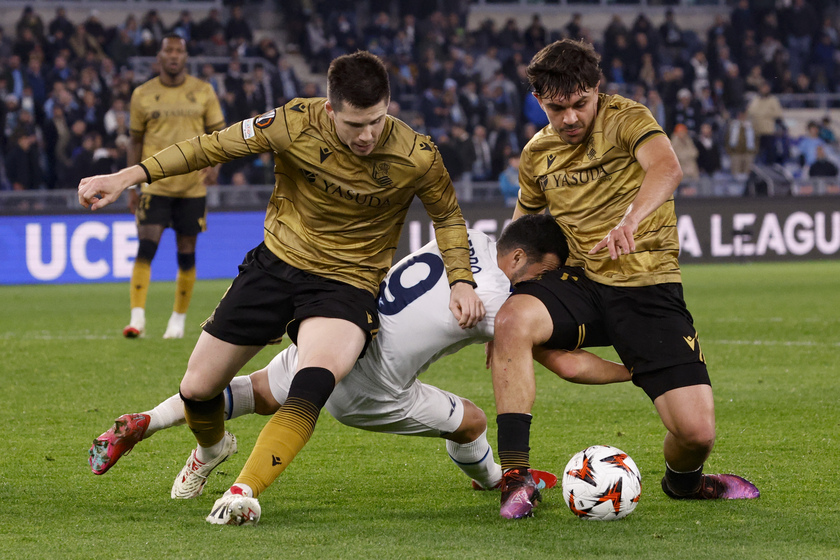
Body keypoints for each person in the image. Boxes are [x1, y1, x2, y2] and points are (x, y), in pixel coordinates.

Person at [78, 50, 485, 524]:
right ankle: (212, 451)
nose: (367, 135)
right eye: (355, 124)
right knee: (197, 389)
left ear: (388, 105)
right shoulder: (292, 122)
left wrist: (461, 281)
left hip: (347, 283)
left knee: (313, 380)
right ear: (330, 109)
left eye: (376, 120)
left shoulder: (418, 154)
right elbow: (208, 147)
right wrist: (126, 177)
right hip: (276, 265)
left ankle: (244, 490)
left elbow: (449, 218)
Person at [89, 218, 632, 524]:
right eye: (544, 275)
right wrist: (634, 371)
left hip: (342, 329)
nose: (541, 286)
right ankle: (496, 479)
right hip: (371, 387)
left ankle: (147, 420)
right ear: (518, 261)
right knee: (470, 420)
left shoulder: (465, 236)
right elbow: (565, 362)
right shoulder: (495, 295)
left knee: (249, 392)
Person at [488, 39, 760, 520]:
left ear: (596, 89)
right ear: (539, 102)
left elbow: (666, 167)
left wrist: (630, 220)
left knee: (696, 435)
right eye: (557, 108)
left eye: (579, 104)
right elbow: (522, 236)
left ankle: (684, 484)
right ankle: (516, 477)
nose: (570, 118)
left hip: (646, 284)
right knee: (512, 320)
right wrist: (501, 306)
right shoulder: (537, 155)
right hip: (579, 282)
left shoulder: (627, 118)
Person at [121, 34, 226, 340]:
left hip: (192, 187)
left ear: (185, 56)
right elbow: (135, 141)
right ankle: (137, 318)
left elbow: (220, 133)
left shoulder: (203, 91)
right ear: (160, 55)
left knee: (186, 252)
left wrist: (215, 166)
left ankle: (177, 321)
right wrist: (130, 186)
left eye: (179, 50)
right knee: (146, 247)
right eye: (169, 50)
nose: (174, 55)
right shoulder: (142, 94)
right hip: (155, 185)